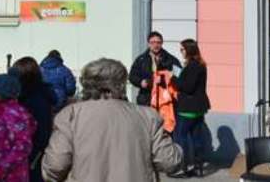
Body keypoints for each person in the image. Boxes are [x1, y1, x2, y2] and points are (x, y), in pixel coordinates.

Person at [42, 58, 182, 182]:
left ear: (86, 83)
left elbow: (55, 166)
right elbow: (169, 161)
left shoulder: (70, 115)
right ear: (121, 84)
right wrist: (179, 149)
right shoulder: (147, 115)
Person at [0, 74, 36, 182]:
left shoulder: (13, 114)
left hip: (9, 175)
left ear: (4, 93)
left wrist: (1, 168)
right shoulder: (0, 112)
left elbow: (22, 146)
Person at [11, 57, 55, 182]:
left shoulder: (34, 98)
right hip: (32, 151)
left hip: (32, 153)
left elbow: (41, 131)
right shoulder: (33, 95)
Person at [171, 39, 210, 178]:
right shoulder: (200, 64)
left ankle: (183, 168)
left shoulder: (193, 66)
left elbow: (188, 87)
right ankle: (198, 167)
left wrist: (173, 78)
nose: (181, 52)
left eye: (182, 49)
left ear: (189, 50)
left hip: (188, 107)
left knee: (181, 137)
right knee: (196, 137)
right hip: (198, 107)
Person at [129, 31, 181, 106]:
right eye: (153, 42)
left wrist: (164, 80)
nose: (155, 45)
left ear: (162, 43)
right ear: (148, 43)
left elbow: (179, 77)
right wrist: (140, 82)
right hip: (146, 99)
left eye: (158, 42)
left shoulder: (171, 59)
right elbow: (132, 76)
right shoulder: (141, 59)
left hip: (165, 100)